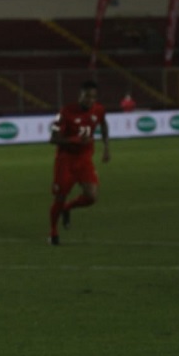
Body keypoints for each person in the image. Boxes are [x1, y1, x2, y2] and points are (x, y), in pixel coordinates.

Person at [48, 80, 110, 246]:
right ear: (80, 96)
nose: (90, 100)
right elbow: (53, 139)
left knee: (91, 196)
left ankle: (68, 208)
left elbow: (103, 124)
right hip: (65, 161)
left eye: (93, 97)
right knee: (59, 197)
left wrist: (106, 147)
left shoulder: (99, 110)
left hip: (84, 160)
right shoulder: (65, 112)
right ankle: (53, 232)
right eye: (87, 96)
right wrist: (74, 140)